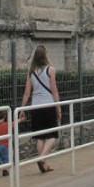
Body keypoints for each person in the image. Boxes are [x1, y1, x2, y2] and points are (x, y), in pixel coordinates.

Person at [19, 46, 61, 174]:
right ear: (45, 55)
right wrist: (58, 108)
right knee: (53, 135)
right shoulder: (50, 70)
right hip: (48, 105)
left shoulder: (31, 71)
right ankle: (42, 158)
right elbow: (54, 90)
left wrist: (22, 108)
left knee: (40, 137)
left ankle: (44, 164)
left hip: (35, 107)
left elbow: (27, 92)